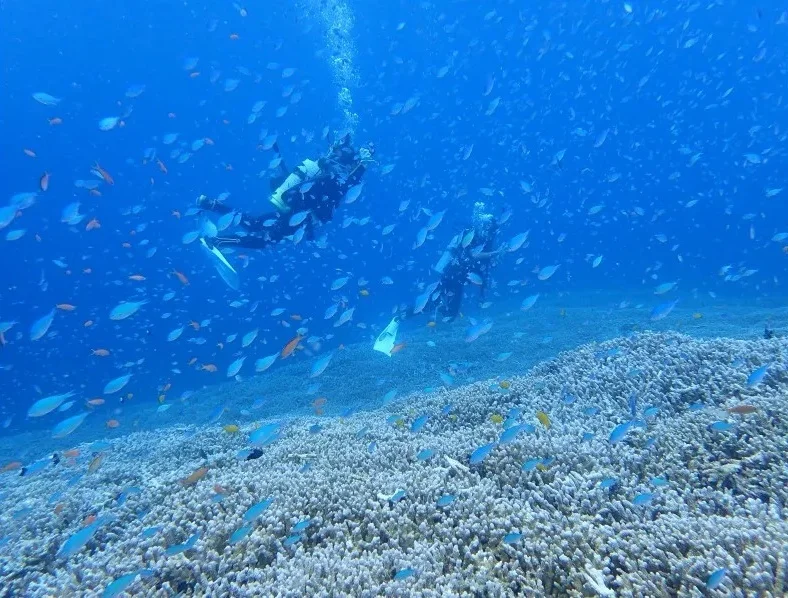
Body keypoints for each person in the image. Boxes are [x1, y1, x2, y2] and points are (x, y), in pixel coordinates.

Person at [197, 134, 375, 249]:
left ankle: (212, 204)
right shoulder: (336, 179)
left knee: (255, 223)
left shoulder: (327, 171)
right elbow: (348, 185)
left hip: (293, 208)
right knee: (264, 239)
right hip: (298, 216)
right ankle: (216, 241)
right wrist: (363, 166)